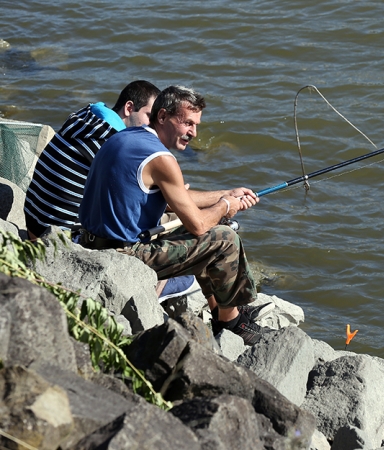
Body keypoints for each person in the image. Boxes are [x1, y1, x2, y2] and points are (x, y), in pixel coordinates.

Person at [78, 85, 271, 345]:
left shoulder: (127, 138)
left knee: (209, 226)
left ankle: (222, 311)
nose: (193, 132)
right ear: (162, 117)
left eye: (196, 125)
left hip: (90, 242)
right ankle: (232, 323)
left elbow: (172, 198)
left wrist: (226, 194)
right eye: (187, 123)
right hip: (122, 255)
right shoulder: (160, 158)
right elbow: (200, 225)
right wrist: (225, 206)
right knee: (223, 236)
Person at [23, 80, 161, 240]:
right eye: (150, 117)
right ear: (129, 108)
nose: (153, 127)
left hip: (34, 222)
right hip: (62, 238)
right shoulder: (113, 143)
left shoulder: (86, 120)